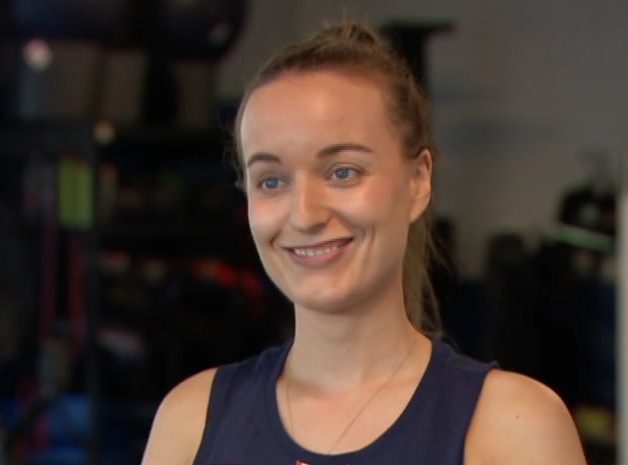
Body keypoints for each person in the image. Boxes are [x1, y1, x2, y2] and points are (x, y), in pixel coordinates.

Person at [141, 21, 587, 465]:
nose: (305, 214)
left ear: (418, 181)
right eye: (272, 180)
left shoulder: (513, 428)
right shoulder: (191, 422)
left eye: (342, 172)